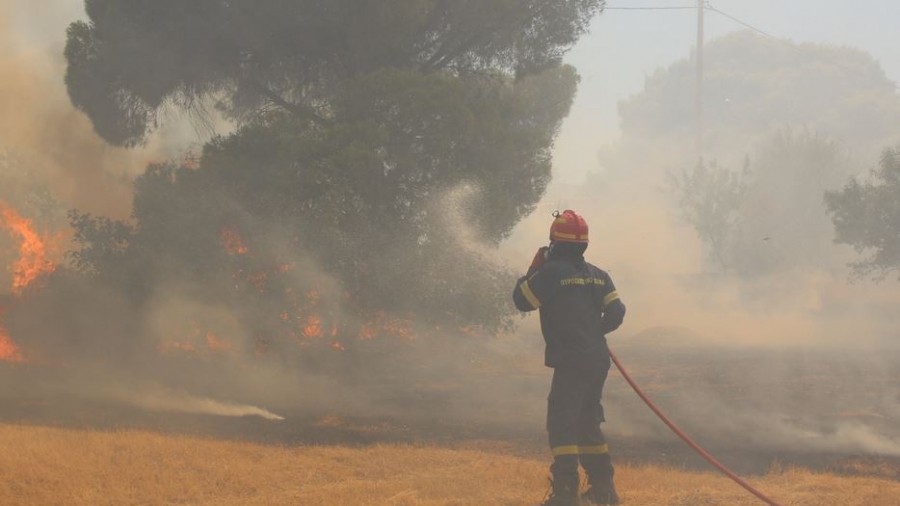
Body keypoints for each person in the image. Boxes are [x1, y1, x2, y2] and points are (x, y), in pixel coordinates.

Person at [513, 210, 626, 506]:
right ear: (583, 245)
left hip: (571, 362)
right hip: (597, 360)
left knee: (562, 423)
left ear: (555, 244)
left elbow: (522, 300)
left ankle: (565, 493)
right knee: (587, 422)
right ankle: (604, 490)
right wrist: (594, 331)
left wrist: (534, 268)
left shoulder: (551, 273)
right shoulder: (599, 276)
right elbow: (617, 312)